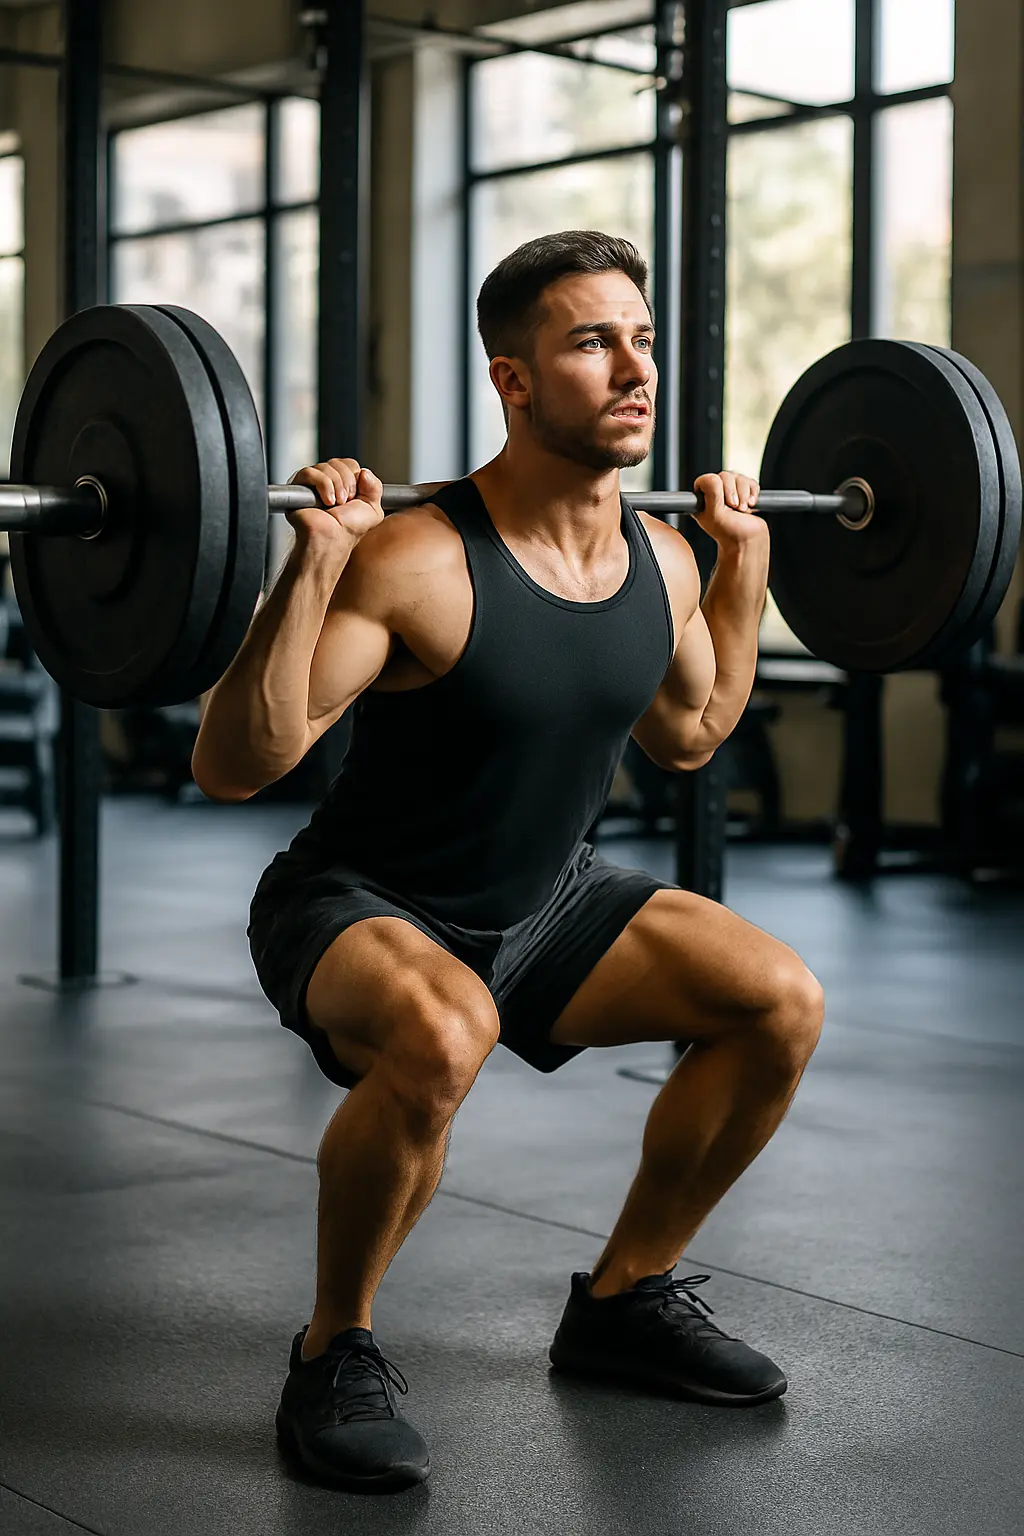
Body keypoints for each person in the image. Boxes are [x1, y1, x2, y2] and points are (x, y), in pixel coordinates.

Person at [192, 230, 824, 1494]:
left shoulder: (662, 557)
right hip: (360, 903)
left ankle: (624, 1301)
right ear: (515, 379)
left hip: (547, 901)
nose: (633, 367)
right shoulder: (417, 557)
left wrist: (745, 574)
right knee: (443, 1034)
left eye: (640, 339)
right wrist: (310, 566)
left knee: (776, 1002)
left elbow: (693, 735)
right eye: (593, 341)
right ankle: (333, 1350)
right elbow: (236, 764)